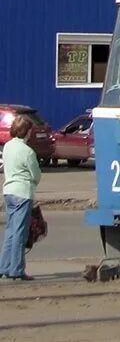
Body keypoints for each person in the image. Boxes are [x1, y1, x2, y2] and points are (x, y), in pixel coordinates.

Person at [0, 114, 42, 280]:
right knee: (20, 233)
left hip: (9, 191)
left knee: (10, 231)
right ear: (27, 131)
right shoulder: (27, 152)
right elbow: (36, 175)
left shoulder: (8, 146)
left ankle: (4, 266)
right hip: (23, 193)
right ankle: (16, 270)